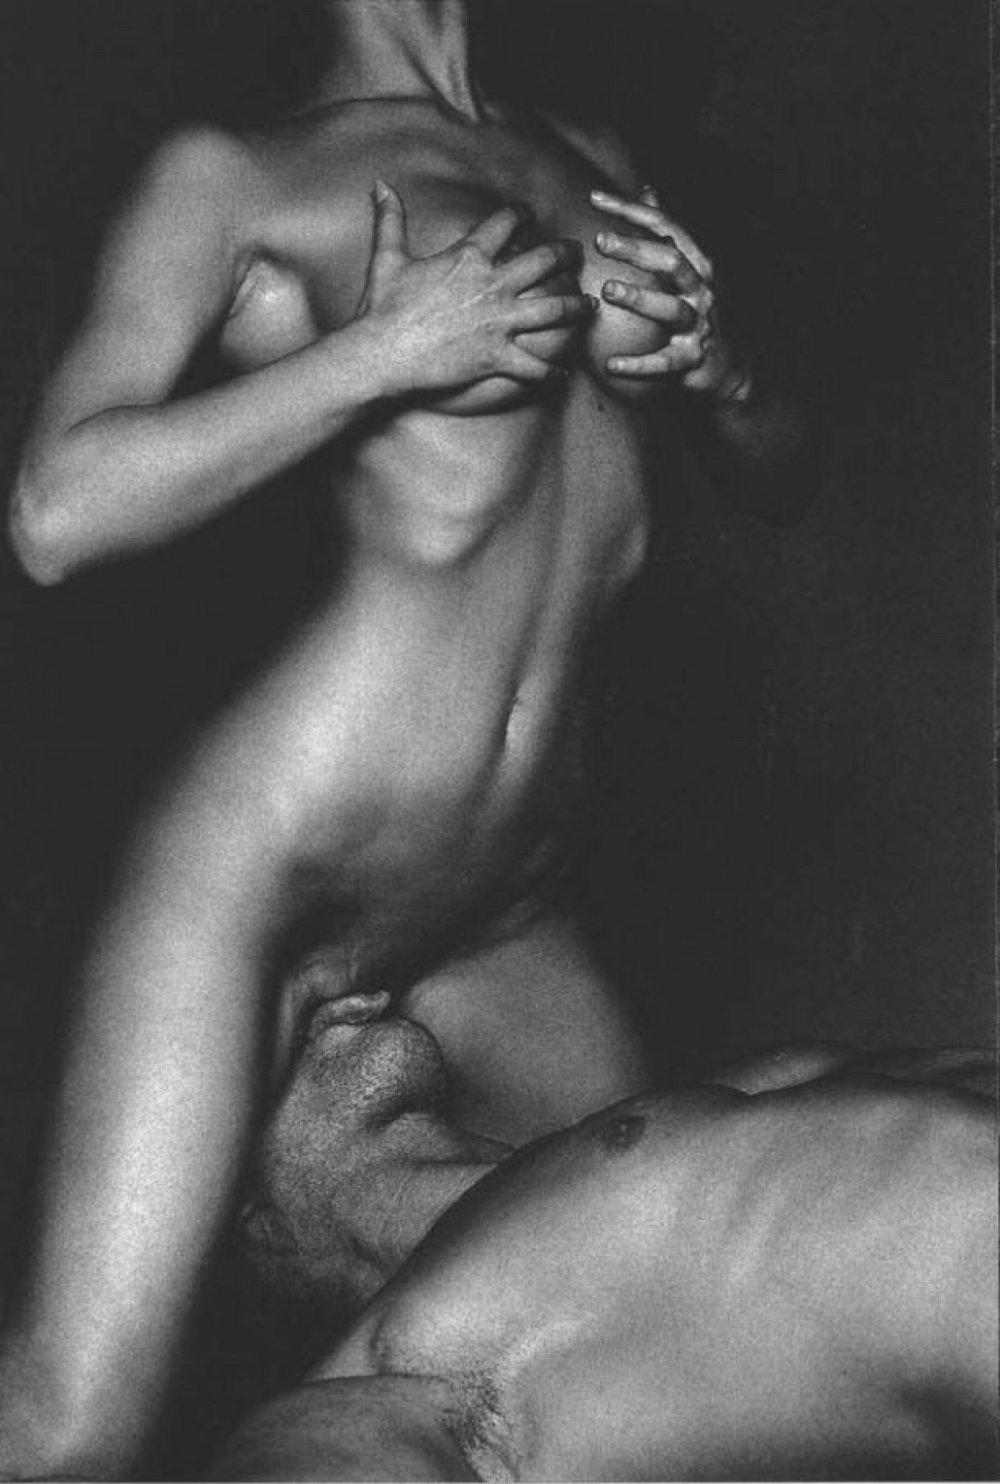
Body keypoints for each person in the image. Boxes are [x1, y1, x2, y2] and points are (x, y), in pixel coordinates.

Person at [0, 1, 817, 1476]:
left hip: (507, 899)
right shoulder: (242, 174)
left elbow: (781, 477)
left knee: (645, 1349)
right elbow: (57, 511)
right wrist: (380, 353)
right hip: (279, 866)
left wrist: (725, 370)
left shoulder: (585, 155)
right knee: (69, 1433)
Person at [212, 979, 997, 1481]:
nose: (337, 997)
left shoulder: (672, 1134)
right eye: (251, 1035)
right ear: (255, 1227)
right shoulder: (411, 1400)